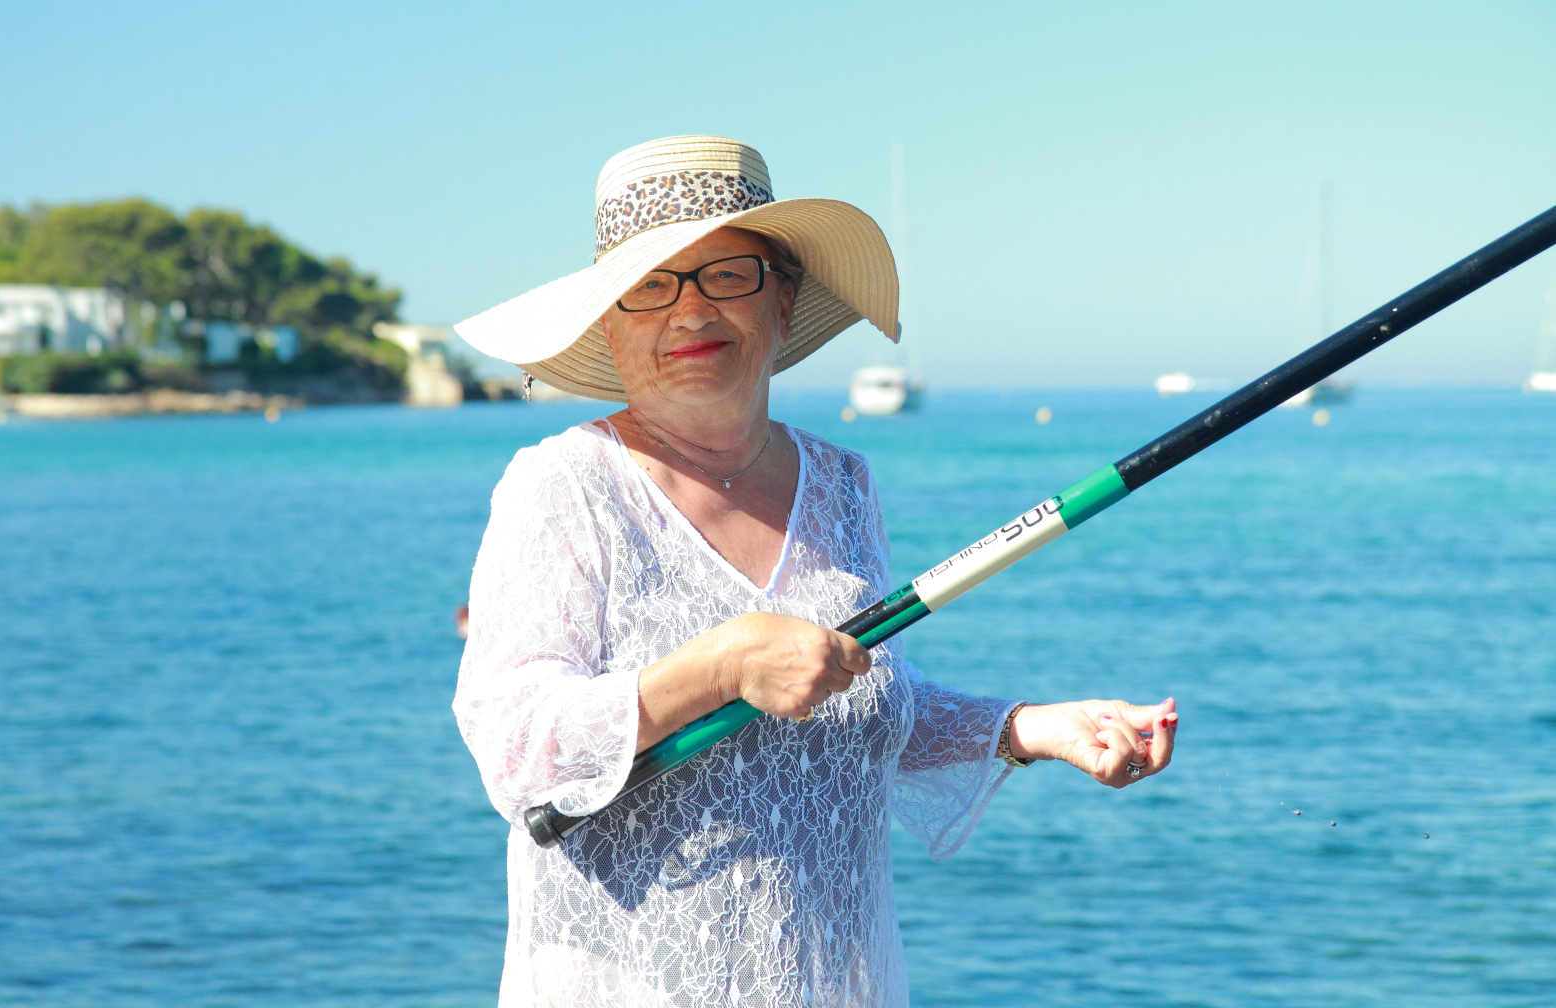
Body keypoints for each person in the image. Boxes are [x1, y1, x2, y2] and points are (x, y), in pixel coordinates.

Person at [452, 136, 1178, 1007]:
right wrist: (718, 665)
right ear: (610, 323)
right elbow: (516, 744)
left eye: (727, 274)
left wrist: (1028, 727)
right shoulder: (561, 486)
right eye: (651, 285)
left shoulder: (842, 483)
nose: (689, 312)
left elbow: (859, 705)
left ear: (783, 301)